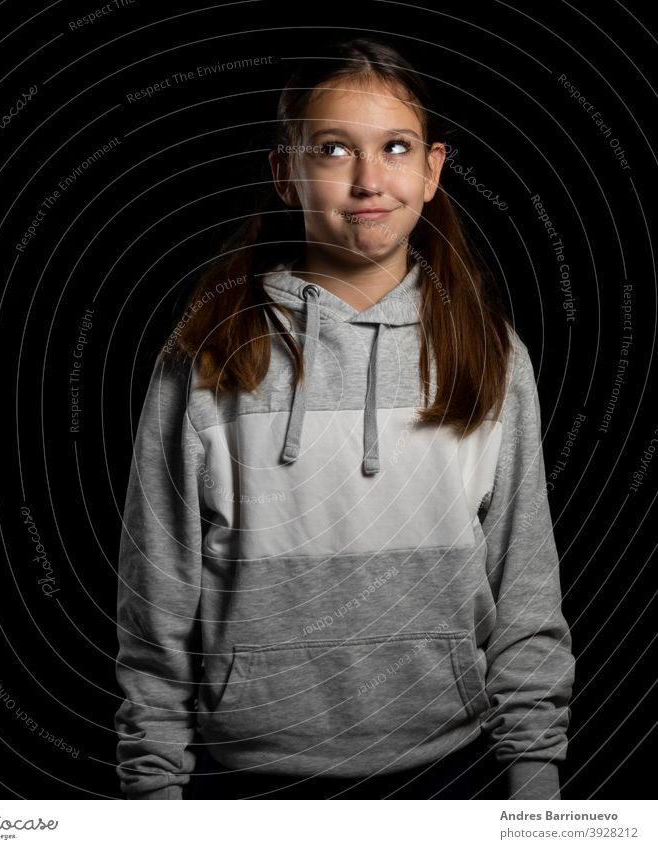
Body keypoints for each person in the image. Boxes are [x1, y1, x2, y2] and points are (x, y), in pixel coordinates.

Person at [114, 37, 576, 801]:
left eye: (394, 147)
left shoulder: (487, 353)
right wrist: (154, 792)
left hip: (451, 772)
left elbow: (525, 585)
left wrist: (535, 779)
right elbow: (154, 598)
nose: (368, 180)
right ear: (286, 172)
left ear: (431, 172)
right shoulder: (205, 358)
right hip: (245, 779)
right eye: (333, 148)